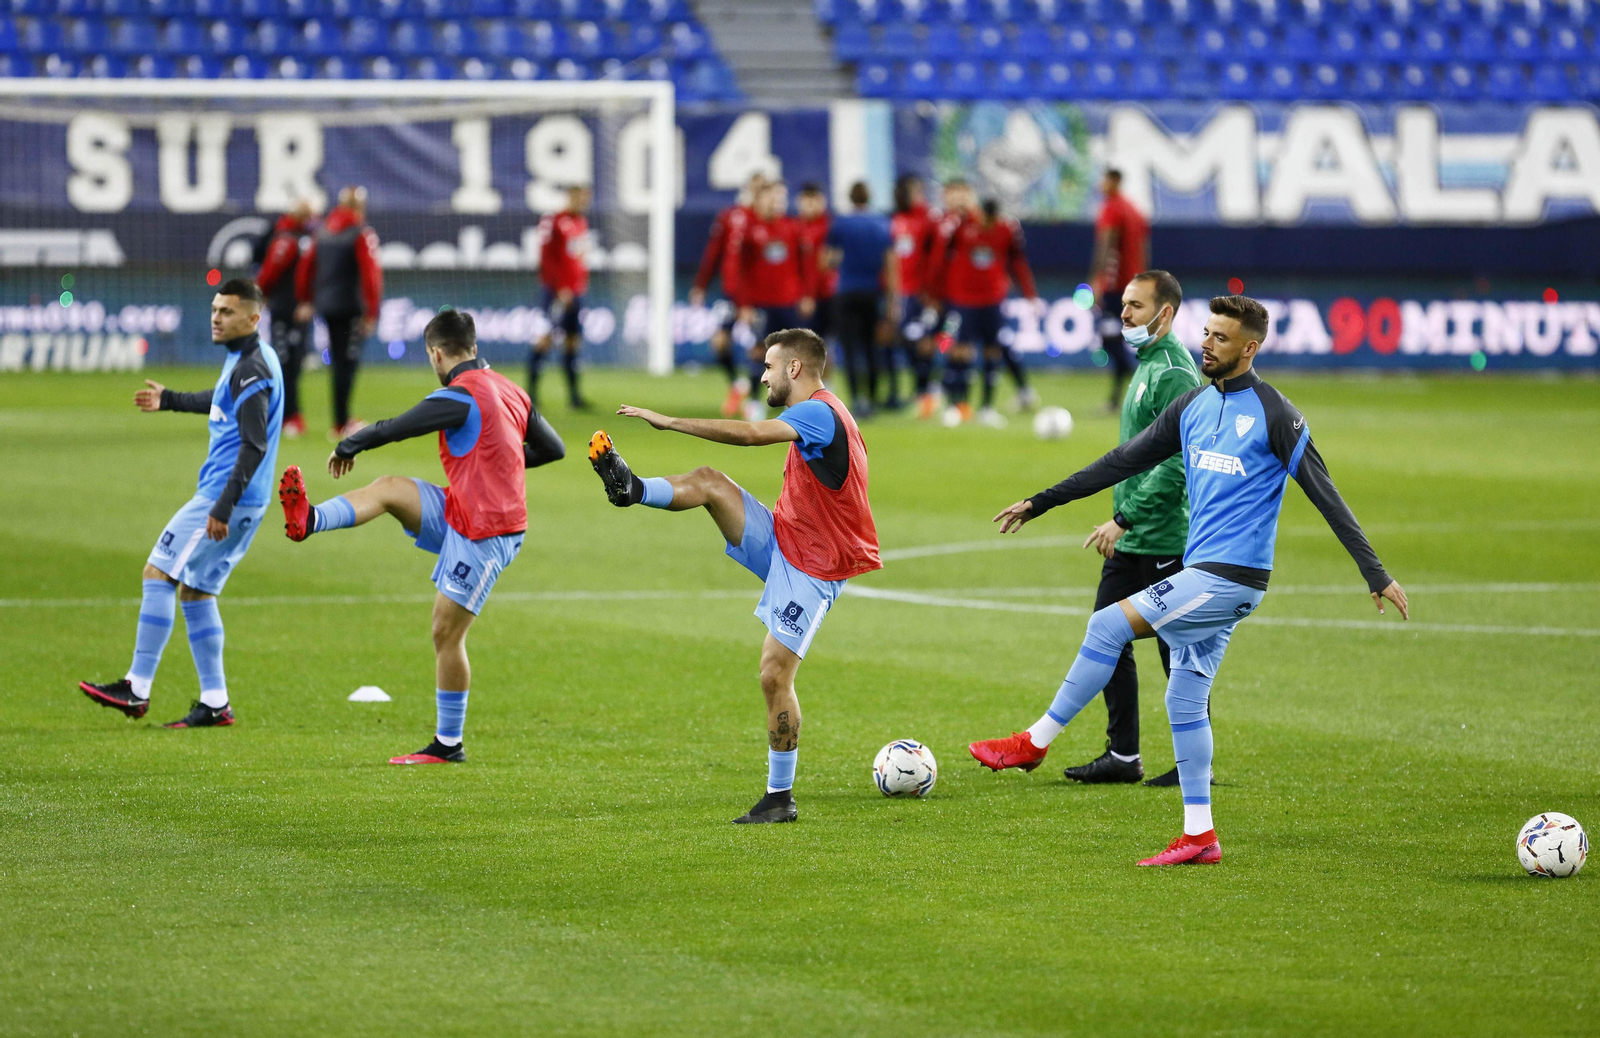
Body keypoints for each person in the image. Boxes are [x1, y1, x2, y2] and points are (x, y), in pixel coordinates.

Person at [972, 295, 1409, 866]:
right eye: (1206, 333)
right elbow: (1119, 461)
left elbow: (1325, 494)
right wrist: (1042, 501)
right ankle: (1200, 836)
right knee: (1184, 694)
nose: (1207, 343)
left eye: (1221, 338)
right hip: (1203, 573)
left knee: (1108, 626)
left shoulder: (1277, 414)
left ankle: (1034, 742)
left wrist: (1374, 572)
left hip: (1231, 577)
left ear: (1250, 348)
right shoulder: (1194, 407)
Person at [587, 327, 880, 824]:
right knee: (709, 483)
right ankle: (631, 488)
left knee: (773, 673)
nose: (761, 375)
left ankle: (780, 798)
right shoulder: (821, 411)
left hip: (816, 566)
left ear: (794, 369)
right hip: (789, 539)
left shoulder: (820, 412)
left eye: (768, 367)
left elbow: (748, 435)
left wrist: (669, 422)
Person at [277, 309, 566, 764]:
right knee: (390, 489)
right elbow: (555, 449)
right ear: (473, 346)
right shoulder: (511, 389)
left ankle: (449, 744)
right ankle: (310, 520)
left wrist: (351, 442)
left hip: (489, 531)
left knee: (444, 633)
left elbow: (397, 426)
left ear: (436, 352)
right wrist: (500, 463)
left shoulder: (460, 395)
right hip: (461, 508)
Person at [78, 279, 284, 729]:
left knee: (159, 571)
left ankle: (137, 687)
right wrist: (170, 399)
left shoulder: (252, 367)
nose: (215, 317)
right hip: (247, 498)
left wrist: (222, 507)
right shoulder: (249, 362)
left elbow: (254, 444)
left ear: (253, 318)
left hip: (226, 495)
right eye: (214, 309)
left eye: (227, 311)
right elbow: (223, 401)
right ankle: (215, 702)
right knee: (196, 591)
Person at [1059, 270, 1203, 788]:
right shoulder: (1146, 364)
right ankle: (1123, 755)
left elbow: (1177, 466)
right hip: (1138, 535)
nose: (1124, 314)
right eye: (1124, 304)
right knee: (1107, 636)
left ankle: (1194, 766)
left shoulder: (1174, 373)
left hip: (1164, 535)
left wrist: (1123, 518)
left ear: (1164, 314)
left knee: (1180, 655)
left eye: (1136, 306)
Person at [927, 191, 1041, 428]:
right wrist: (934, 292)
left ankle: (987, 407)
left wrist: (1029, 294)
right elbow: (939, 256)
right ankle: (958, 406)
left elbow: (1018, 262)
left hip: (993, 299)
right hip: (962, 299)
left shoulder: (1007, 229)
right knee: (957, 349)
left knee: (992, 350)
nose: (986, 224)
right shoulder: (959, 225)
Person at [295, 185, 382, 441]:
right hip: (351, 308)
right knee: (348, 363)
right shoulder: (361, 233)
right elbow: (371, 275)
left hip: (328, 307)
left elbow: (306, 268)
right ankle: (342, 422)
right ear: (359, 207)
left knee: (337, 361)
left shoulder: (322, 231)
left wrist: (306, 299)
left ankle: (340, 420)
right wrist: (372, 312)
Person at [734, 181, 815, 422]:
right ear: (760, 200)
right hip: (760, 302)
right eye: (772, 197)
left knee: (793, 354)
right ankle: (754, 402)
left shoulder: (792, 228)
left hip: (788, 301)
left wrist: (806, 294)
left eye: (781, 198)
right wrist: (745, 304)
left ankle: (793, 403)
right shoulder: (749, 231)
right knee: (760, 352)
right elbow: (742, 271)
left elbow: (805, 265)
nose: (776, 203)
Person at [691, 171, 767, 417]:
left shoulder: (767, 220)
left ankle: (754, 400)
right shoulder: (731, 217)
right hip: (731, 291)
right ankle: (737, 384)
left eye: (762, 188)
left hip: (759, 294)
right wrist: (701, 284)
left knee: (759, 347)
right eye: (754, 187)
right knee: (720, 342)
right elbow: (714, 252)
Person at [825, 180, 898, 415]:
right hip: (873, 292)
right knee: (871, 347)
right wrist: (892, 300)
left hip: (847, 292)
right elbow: (890, 263)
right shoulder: (882, 223)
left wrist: (842, 262)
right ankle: (874, 398)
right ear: (869, 197)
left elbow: (827, 260)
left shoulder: (841, 223)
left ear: (850, 197)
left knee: (849, 347)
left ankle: (857, 400)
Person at [1089, 169, 1150, 413]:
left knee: (1110, 339)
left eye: (1104, 179)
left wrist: (1096, 279)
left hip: (1116, 288)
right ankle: (1117, 399)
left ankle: (1140, 386)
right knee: (1121, 339)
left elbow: (1106, 243)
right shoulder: (1135, 210)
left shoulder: (1111, 208)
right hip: (1134, 285)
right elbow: (1144, 247)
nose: (1100, 184)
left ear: (1113, 181)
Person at [254, 198, 314, 439]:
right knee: (285, 363)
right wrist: (261, 295)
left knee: (292, 363)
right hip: (285, 310)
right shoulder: (287, 240)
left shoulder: (296, 238)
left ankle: (288, 415)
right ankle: (286, 415)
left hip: (292, 309)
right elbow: (269, 273)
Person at [530, 184, 593, 411]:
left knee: (572, 343)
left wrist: (577, 286)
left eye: (586, 197)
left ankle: (574, 398)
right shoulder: (554, 221)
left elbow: (576, 259)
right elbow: (546, 257)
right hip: (556, 292)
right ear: (570, 196)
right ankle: (531, 395)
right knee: (545, 338)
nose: (583, 201)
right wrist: (559, 288)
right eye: (580, 196)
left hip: (575, 293)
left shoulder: (581, 223)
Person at [889, 174, 940, 417]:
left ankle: (929, 389)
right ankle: (923, 388)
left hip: (921, 293)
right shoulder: (895, 219)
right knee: (905, 340)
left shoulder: (929, 219)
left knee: (924, 340)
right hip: (901, 291)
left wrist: (930, 290)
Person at [795, 182, 837, 368]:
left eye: (814, 201)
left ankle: (827, 390)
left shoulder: (831, 227)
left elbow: (829, 263)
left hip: (828, 295)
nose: (810, 205)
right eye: (806, 201)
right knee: (803, 347)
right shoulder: (794, 228)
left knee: (824, 345)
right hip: (801, 296)